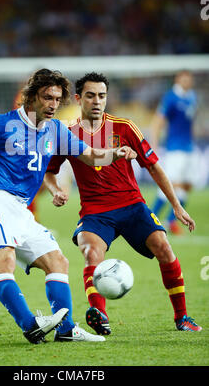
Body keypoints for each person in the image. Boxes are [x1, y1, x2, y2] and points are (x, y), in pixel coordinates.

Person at [0, 68, 136, 344]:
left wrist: (115, 154)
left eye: (58, 99)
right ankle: (30, 325)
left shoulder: (56, 129)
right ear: (31, 97)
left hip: (21, 210)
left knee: (58, 261)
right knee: (5, 261)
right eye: (47, 98)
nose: (53, 105)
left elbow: (91, 156)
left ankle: (66, 329)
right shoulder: (1, 124)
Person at [44, 72, 202, 336]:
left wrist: (176, 205)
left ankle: (182, 316)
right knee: (90, 252)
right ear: (78, 98)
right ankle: (100, 316)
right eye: (91, 95)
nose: (97, 101)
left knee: (164, 248)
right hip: (95, 211)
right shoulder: (68, 134)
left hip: (131, 205)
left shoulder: (125, 127)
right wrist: (56, 189)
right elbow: (49, 171)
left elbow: (153, 167)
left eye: (102, 96)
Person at [151, 70, 198, 235]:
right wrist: (154, 145)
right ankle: (150, 219)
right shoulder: (170, 98)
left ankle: (172, 221)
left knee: (187, 185)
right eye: (184, 79)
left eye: (189, 79)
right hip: (174, 149)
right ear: (178, 80)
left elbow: (190, 123)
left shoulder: (192, 97)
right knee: (170, 185)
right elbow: (158, 121)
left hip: (189, 148)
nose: (187, 81)